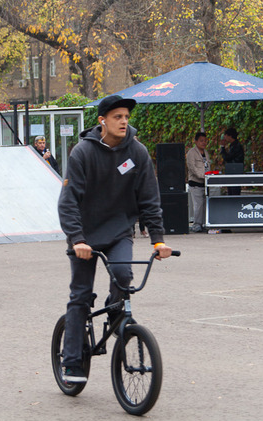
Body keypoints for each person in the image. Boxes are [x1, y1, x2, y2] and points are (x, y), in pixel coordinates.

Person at [58, 94, 173, 383]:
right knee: (81, 295)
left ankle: (115, 313)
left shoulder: (137, 152)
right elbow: (68, 201)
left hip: (119, 231)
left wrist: (158, 240)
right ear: (103, 121)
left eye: (126, 117)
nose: (124, 121)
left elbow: (149, 198)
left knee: (123, 274)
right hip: (84, 235)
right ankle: (71, 362)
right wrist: (76, 239)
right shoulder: (82, 153)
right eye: (117, 117)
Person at [186, 131, 211, 233]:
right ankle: (196, 225)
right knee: (198, 205)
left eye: (205, 141)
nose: (203, 143)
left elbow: (208, 166)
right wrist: (202, 176)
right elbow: (192, 168)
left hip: (205, 183)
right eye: (201, 141)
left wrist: (209, 176)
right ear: (195, 141)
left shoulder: (206, 153)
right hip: (196, 182)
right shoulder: (191, 153)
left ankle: (204, 224)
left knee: (205, 204)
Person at [220, 127, 244, 195]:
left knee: (233, 191)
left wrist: (222, 148)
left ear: (230, 136)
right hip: (234, 171)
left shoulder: (236, 146)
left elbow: (227, 158)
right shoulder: (234, 145)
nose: (224, 137)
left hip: (234, 171)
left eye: (226, 135)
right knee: (231, 191)